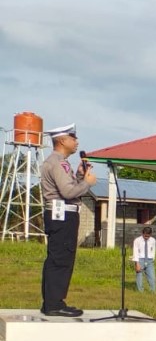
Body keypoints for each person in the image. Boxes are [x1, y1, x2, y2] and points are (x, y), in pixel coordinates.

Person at [38, 124, 95, 317]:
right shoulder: (58, 162)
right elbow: (68, 192)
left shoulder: (57, 162)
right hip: (63, 214)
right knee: (61, 258)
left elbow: (68, 186)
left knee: (56, 257)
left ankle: (51, 302)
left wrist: (79, 176)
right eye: (73, 137)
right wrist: (87, 182)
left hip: (59, 214)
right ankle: (54, 304)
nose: (76, 141)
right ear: (62, 140)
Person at [132, 226, 156, 293]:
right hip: (140, 260)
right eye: (145, 236)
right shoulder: (137, 240)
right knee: (139, 276)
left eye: (148, 236)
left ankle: (153, 291)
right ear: (142, 233)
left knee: (152, 277)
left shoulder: (153, 240)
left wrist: (152, 259)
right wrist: (137, 263)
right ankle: (140, 291)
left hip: (149, 260)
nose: (146, 237)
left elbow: (153, 250)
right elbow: (135, 252)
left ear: (150, 234)